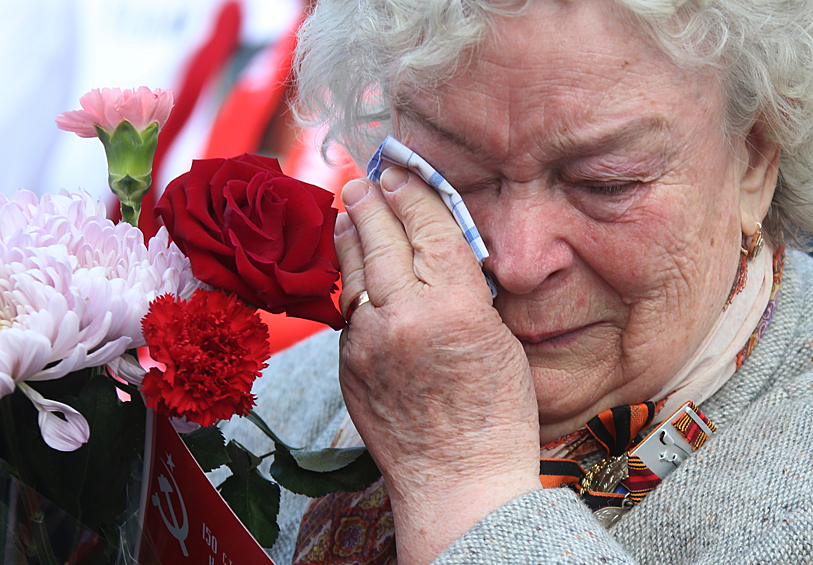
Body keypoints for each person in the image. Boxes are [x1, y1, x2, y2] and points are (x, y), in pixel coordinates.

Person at [231, 0, 813, 562]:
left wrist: (465, 485)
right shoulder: (276, 408)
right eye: (451, 175)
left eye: (606, 184)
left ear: (755, 160)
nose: (516, 261)